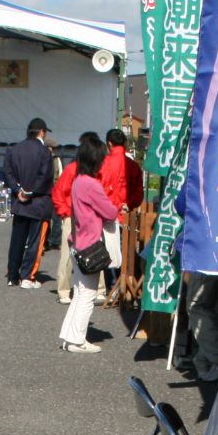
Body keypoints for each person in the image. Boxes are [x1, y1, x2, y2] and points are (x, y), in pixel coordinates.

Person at [57, 136, 119, 354]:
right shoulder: (91, 184)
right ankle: (76, 339)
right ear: (96, 160)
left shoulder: (78, 181)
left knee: (80, 291)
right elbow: (110, 212)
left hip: (77, 241)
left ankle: (69, 335)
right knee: (88, 295)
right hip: (90, 244)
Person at [4, 117, 54, 288]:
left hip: (19, 203)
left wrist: (18, 190)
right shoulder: (45, 152)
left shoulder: (14, 149)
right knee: (34, 242)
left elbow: (8, 173)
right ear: (41, 132)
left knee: (17, 240)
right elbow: (46, 177)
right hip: (38, 203)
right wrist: (31, 192)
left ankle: (12, 275)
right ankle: (27, 276)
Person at [97, 128, 144, 303]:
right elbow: (139, 192)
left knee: (109, 253)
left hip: (108, 216)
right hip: (128, 215)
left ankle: (112, 287)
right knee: (127, 252)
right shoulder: (133, 166)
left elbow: (99, 191)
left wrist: (114, 206)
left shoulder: (104, 164)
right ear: (124, 143)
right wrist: (127, 204)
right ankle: (127, 286)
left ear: (109, 144)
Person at [51, 133, 97, 306]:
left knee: (95, 252)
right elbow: (58, 192)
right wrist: (65, 213)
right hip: (73, 216)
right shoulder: (72, 169)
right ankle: (63, 290)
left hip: (90, 218)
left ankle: (98, 290)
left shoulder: (96, 171)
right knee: (67, 255)